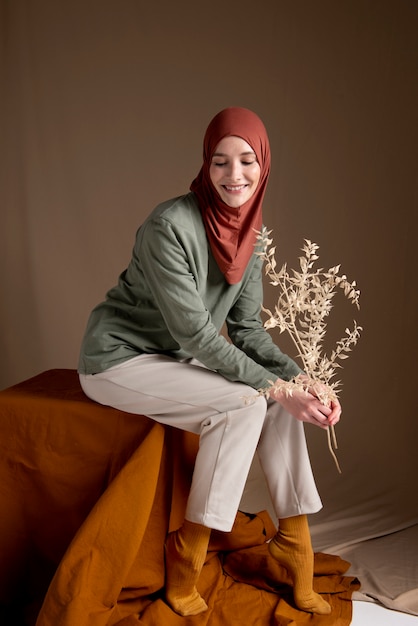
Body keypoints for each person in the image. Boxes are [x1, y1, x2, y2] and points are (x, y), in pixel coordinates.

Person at [78, 107, 341, 617]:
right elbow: (196, 334)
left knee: (275, 402)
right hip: (117, 360)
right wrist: (276, 387)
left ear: (264, 165)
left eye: (246, 161)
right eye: (221, 162)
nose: (234, 175)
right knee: (248, 403)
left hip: (170, 358)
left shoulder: (251, 233)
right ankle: (188, 553)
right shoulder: (168, 225)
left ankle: (294, 543)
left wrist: (304, 383)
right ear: (206, 164)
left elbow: (245, 331)